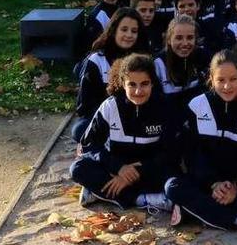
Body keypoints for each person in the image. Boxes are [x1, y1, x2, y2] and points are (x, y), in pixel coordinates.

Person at [164, 50, 237, 236]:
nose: (227, 86)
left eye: (233, 79)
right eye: (221, 80)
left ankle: (192, 210)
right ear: (211, 79)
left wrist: (236, 185)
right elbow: (192, 154)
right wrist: (213, 183)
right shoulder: (197, 105)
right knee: (172, 187)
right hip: (207, 184)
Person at [70, 54, 177, 212]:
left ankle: (102, 192)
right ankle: (141, 199)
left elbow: (171, 152)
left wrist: (136, 172)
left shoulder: (165, 107)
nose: (138, 91)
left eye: (144, 84)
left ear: (153, 83)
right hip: (114, 169)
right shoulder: (110, 106)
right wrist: (119, 168)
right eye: (132, 84)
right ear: (123, 84)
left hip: (148, 169)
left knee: (174, 180)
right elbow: (89, 145)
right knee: (78, 168)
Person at [72, 7, 146, 141]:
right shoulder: (97, 60)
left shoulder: (144, 59)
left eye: (134, 31)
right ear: (113, 30)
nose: (129, 35)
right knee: (80, 130)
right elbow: (84, 105)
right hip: (105, 116)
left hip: (137, 114)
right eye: (124, 30)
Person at [153, 15, 209, 116]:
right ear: (169, 39)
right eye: (179, 38)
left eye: (190, 38)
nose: (185, 43)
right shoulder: (158, 63)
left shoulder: (203, 57)